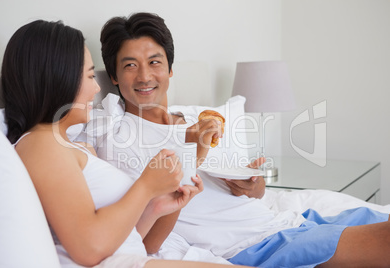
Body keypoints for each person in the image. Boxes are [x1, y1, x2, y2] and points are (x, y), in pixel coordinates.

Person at [82, 12, 390, 267]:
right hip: (253, 245)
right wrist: (197, 153)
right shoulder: (119, 136)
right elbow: (147, 234)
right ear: (113, 76)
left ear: (171, 69)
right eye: (130, 65)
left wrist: (254, 187)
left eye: (155, 62)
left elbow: (237, 187)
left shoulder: (196, 120)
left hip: (286, 221)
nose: (145, 77)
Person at [1, 19, 255, 268]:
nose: (96, 88)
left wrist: (158, 206)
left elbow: (128, 240)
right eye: (90, 76)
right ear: (58, 79)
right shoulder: (42, 144)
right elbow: (90, 249)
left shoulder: (68, 146)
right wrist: (145, 186)